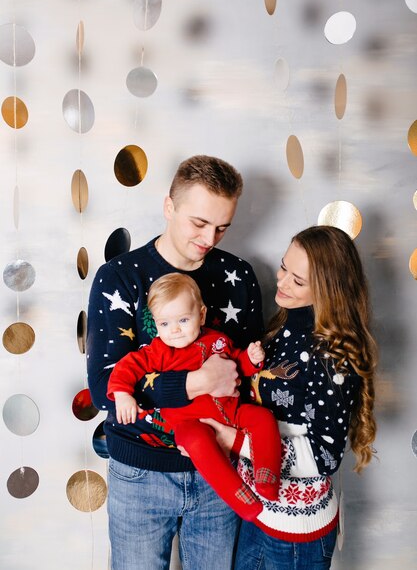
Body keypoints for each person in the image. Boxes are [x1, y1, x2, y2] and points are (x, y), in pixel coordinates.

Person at [86, 155, 264, 570]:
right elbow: (103, 389)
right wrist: (196, 382)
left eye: (222, 227)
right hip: (140, 476)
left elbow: (248, 378)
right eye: (199, 223)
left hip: (220, 472)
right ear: (169, 207)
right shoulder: (120, 277)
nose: (210, 238)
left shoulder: (239, 276)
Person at [202, 225, 377, 569]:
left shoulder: (332, 356)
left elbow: (324, 457)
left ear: (328, 291)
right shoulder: (281, 329)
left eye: (298, 281)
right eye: (284, 267)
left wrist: (236, 442)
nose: (281, 283)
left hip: (297, 532)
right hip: (258, 513)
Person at [107, 272, 281, 522]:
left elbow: (237, 367)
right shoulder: (160, 351)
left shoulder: (218, 341)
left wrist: (252, 360)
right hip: (189, 423)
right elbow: (127, 366)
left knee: (263, 418)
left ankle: (267, 476)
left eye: (183, 319)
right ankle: (237, 495)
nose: (174, 330)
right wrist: (123, 394)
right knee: (197, 441)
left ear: (201, 315)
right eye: (164, 324)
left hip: (232, 411)